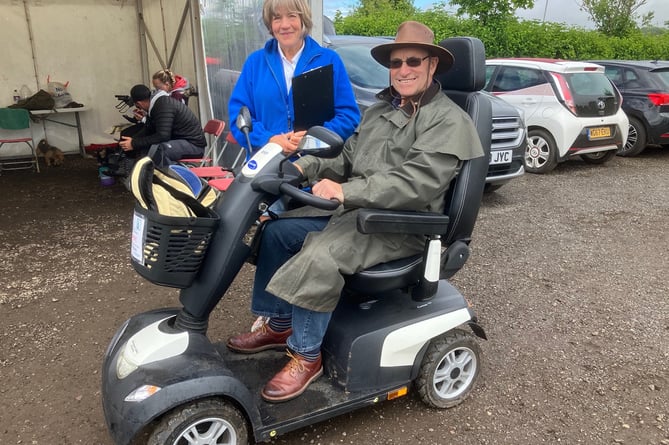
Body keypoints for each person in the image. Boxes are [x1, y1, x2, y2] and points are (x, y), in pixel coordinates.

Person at [226, 21, 486, 403]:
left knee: (320, 253)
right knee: (277, 232)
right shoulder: (381, 109)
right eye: (396, 63)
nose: (404, 70)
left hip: (402, 223)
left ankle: (306, 356)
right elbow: (346, 158)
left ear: (433, 65)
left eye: (414, 61)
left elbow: (415, 184)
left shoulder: (449, 120)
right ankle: (279, 324)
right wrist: (304, 168)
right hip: (359, 211)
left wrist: (345, 192)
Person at [227, 0, 360, 156]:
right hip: (266, 164)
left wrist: (313, 139)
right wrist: (268, 139)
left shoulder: (329, 60)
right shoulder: (255, 63)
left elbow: (348, 116)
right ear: (270, 24)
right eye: (277, 18)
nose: (284, 25)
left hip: (315, 166)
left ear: (303, 20)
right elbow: (239, 116)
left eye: (292, 16)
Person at [118, 84, 206, 166]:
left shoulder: (163, 105)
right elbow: (149, 128)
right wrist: (134, 140)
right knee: (146, 147)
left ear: (139, 104)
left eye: (137, 106)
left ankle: (170, 180)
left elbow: (163, 135)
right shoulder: (157, 104)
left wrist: (134, 143)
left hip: (194, 145)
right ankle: (147, 177)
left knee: (159, 150)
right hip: (182, 140)